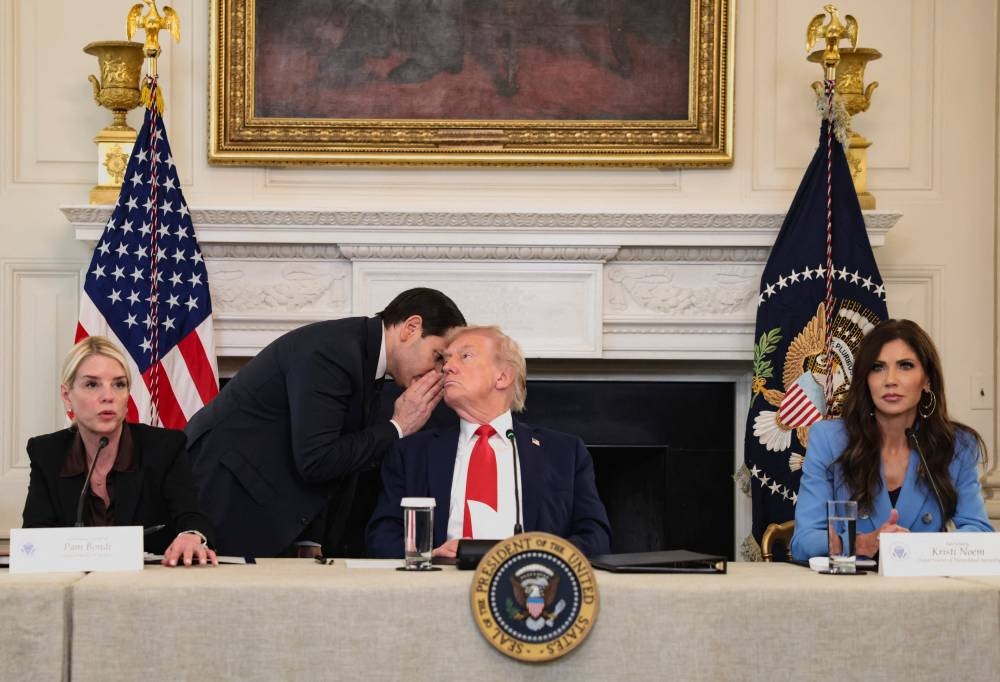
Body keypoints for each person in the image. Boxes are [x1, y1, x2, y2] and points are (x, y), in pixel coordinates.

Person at [186, 288, 466, 557]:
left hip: (261, 507)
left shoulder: (364, 354)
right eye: (438, 356)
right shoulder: (334, 351)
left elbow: (335, 449)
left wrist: (310, 536)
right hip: (222, 499)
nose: (440, 371)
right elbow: (317, 459)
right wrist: (398, 427)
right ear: (411, 327)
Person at [367, 325, 611, 559]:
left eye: (465, 356)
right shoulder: (411, 452)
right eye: (446, 359)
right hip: (439, 585)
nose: (448, 367)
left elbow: (596, 537)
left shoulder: (564, 452)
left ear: (502, 377)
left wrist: (538, 556)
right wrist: (429, 556)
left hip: (528, 586)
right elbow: (381, 536)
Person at [791, 319, 993, 561]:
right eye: (877, 367)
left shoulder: (958, 445)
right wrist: (859, 544)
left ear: (927, 380)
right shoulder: (829, 440)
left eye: (905, 366)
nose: (890, 380)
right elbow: (803, 541)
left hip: (925, 589)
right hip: (851, 590)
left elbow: (979, 532)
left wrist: (918, 549)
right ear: (865, 380)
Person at [21, 336, 217, 567]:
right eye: (92, 384)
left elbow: (191, 516)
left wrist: (192, 535)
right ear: (67, 397)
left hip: (148, 588)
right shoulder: (47, 453)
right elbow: (35, 535)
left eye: (119, 384)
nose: (108, 396)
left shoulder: (164, 447)